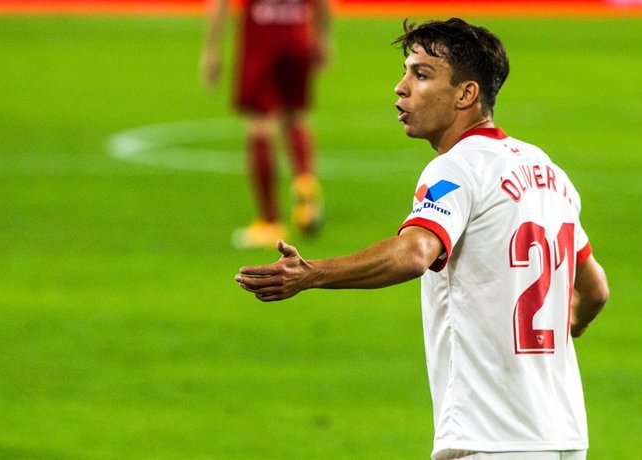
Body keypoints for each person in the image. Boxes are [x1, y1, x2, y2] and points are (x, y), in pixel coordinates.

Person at [235, 18, 609, 460]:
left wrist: (311, 274)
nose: (401, 87)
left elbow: (415, 253)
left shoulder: (457, 167)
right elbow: (595, 290)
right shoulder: (549, 172)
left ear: (466, 94)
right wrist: (562, 331)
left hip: (490, 439)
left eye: (421, 74)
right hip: (564, 434)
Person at [200, 0, 330, 249]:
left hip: (262, 40)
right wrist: (323, 37)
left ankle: (270, 221)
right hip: (298, 36)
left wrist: (212, 49)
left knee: (260, 125)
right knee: (295, 117)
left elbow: (220, 4)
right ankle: (304, 182)